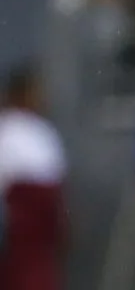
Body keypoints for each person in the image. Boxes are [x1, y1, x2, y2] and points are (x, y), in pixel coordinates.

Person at [0, 66, 67, 290]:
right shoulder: (7, 128)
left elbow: (56, 184)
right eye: (35, 91)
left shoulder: (42, 130)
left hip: (43, 228)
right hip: (18, 229)